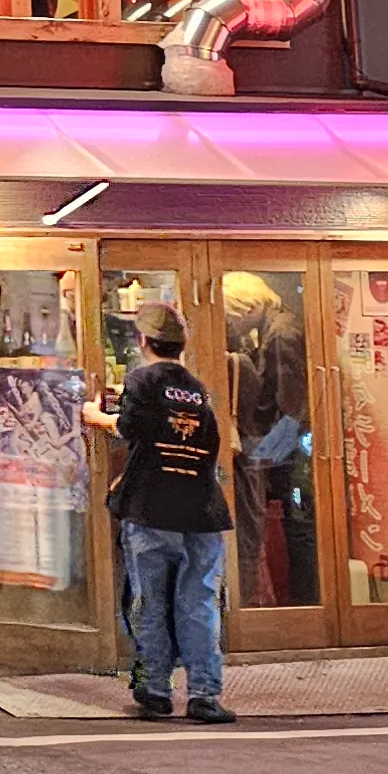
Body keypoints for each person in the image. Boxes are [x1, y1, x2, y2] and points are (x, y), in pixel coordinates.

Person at [87, 305, 235, 724]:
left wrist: (96, 417)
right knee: (199, 604)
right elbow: (206, 448)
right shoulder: (199, 390)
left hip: (152, 510)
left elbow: (131, 428)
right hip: (203, 512)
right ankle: (205, 694)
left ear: (143, 342)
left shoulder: (142, 380)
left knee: (148, 602)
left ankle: (155, 688)